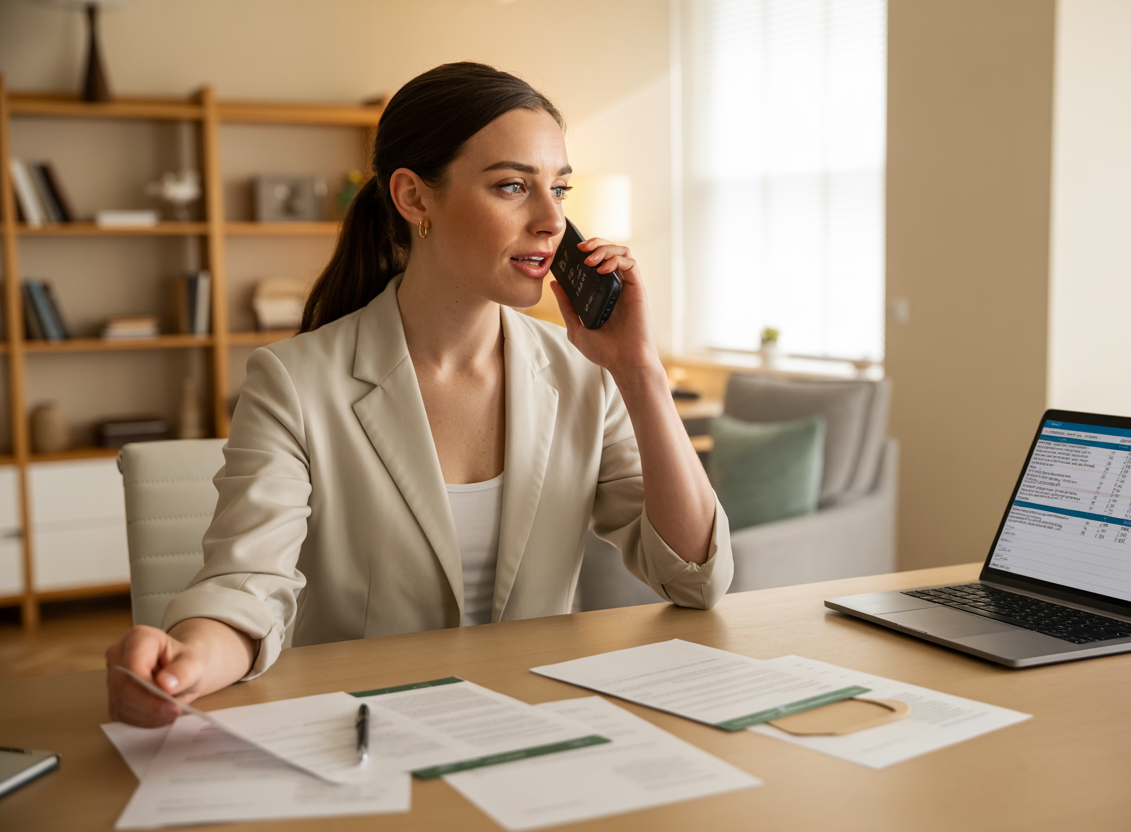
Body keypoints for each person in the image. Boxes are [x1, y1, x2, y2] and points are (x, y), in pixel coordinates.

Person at [105, 62, 734, 728]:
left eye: (560, 188)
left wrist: (639, 370)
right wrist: (187, 662)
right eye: (514, 186)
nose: (553, 220)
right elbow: (246, 585)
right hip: (366, 735)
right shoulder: (293, 380)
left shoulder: (582, 373)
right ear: (414, 198)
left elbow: (694, 578)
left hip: (531, 728)